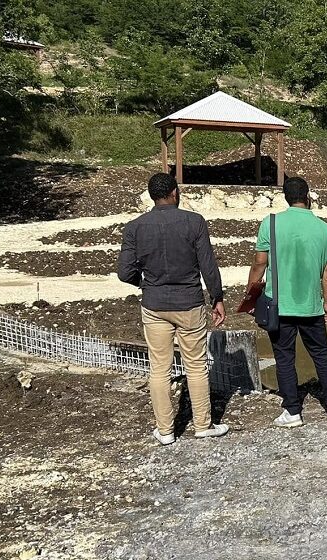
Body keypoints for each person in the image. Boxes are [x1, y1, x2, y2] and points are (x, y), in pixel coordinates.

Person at [117, 173, 230, 445]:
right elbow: (208, 266)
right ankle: (203, 425)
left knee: (159, 368)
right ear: (175, 193)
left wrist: (144, 284)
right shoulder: (195, 222)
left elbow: (124, 272)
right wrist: (217, 298)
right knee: (196, 365)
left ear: (151, 195)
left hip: (155, 305)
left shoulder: (135, 227)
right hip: (189, 303)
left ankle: (165, 431)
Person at [247, 177, 327, 428]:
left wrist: (251, 295)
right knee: (321, 354)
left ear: (286, 198)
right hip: (311, 305)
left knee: (284, 357)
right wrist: (326, 301)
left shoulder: (270, 223)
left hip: (280, 306)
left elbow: (259, 263)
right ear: (308, 197)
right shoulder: (325, 229)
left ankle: (292, 411)